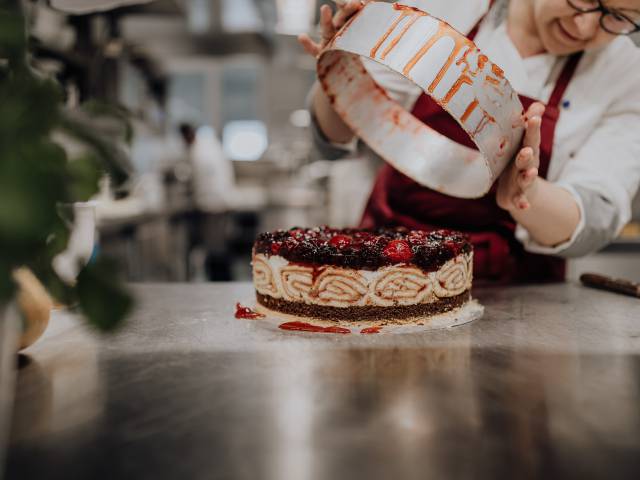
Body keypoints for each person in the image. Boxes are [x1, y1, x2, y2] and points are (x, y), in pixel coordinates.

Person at [299, 0, 640, 283]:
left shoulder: (626, 72)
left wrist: (528, 194)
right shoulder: (448, 6)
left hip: (514, 296)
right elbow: (335, 137)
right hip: (383, 263)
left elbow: (595, 217)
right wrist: (342, 71)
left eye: (618, 17)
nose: (584, 27)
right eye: (582, 0)